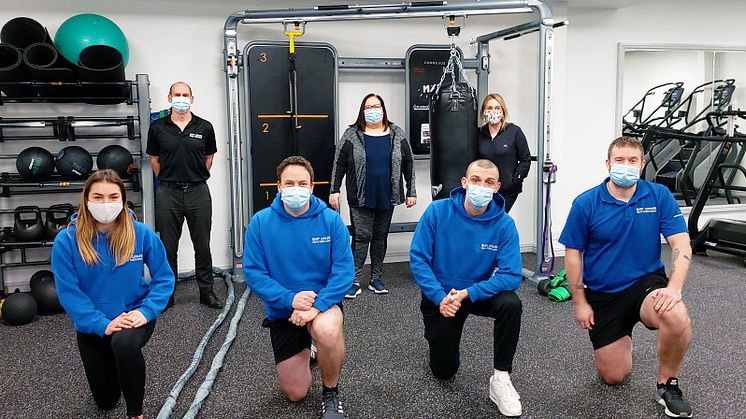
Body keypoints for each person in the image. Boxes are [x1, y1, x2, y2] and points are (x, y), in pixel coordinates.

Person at [559, 136, 693, 418]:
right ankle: (623, 333)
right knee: (613, 376)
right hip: (604, 293)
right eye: (619, 160)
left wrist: (675, 288)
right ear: (608, 164)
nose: (626, 166)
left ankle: (667, 384)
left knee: (677, 316)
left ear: (642, 165)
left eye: (633, 161)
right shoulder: (586, 203)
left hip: (645, 284)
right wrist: (579, 302)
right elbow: (573, 255)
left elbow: (681, 244)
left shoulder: (658, 196)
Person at [51, 169, 174, 419]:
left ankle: (135, 413)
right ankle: (117, 369)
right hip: (93, 324)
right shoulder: (66, 240)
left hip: (132, 316)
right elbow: (69, 293)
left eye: (112, 196)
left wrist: (145, 312)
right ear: (86, 199)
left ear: (122, 199)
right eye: (98, 197)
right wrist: (103, 324)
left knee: (124, 343)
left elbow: (164, 278)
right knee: (106, 401)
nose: (105, 203)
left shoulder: (141, 233)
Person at [409, 159, 523, 417]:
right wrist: (440, 297)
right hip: (442, 297)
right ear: (464, 182)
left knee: (511, 304)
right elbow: (419, 259)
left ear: (497, 188)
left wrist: (469, 293)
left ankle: (501, 379)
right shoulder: (437, 212)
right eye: (476, 180)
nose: (481, 187)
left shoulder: (504, 224)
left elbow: (512, 276)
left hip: (475, 293)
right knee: (444, 371)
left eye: (489, 182)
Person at [244, 156, 353, 419]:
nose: (296, 188)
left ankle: (331, 392)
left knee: (327, 331)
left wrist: (315, 307)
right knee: (295, 393)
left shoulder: (330, 220)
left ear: (312, 186)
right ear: (279, 187)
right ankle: (310, 348)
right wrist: (291, 299)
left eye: (302, 183)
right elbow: (254, 274)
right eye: (289, 183)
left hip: (321, 304)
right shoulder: (260, 223)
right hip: (284, 309)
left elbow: (344, 273)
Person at [330, 93, 416, 298]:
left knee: (379, 237)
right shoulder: (352, 134)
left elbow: (409, 163)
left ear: (384, 109)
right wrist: (334, 190)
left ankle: (376, 278)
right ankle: (354, 280)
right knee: (361, 237)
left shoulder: (397, 133)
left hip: (387, 194)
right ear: (362, 111)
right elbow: (338, 163)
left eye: (376, 106)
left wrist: (411, 191)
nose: (373, 110)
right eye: (368, 107)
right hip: (360, 196)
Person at [146, 81, 222, 309]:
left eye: (185, 94)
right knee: (168, 247)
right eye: (177, 94)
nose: (181, 98)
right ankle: (167, 294)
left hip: (198, 191)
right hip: (169, 193)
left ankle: (206, 292)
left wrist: (194, 176)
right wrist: (170, 179)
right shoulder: (158, 127)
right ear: (169, 98)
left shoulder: (205, 127)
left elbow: (209, 158)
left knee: (202, 245)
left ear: (192, 98)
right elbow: (154, 161)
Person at [478, 93, 531, 213]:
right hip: (484, 190)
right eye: (489, 108)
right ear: (483, 111)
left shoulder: (514, 131)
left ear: (502, 111)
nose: (493, 111)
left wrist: (515, 180)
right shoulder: (479, 133)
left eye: (497, 108)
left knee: (497, 219)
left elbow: (525, 159)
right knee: (483, 221)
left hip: (507, 190)